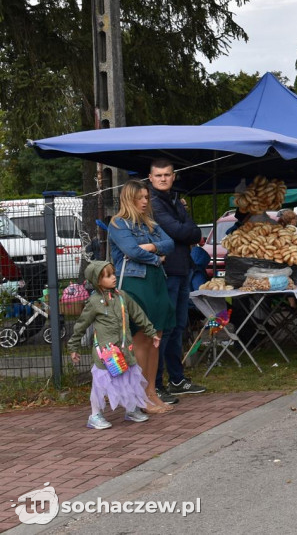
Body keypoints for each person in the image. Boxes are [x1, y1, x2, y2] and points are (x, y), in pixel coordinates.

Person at [108, 180, 176, 412]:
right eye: (141, 197)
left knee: (155, 339)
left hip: (156, 283)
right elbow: (131, 251)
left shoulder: (150, 224)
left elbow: (170, 243)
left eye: (147, 197)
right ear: (129, 199)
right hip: (135, 285)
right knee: (141, 340)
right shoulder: (118, 223)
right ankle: (139, 396)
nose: (145, 201)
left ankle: (151, 392)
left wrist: (151, 248)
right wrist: (156, 256)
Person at [70, 260, 159, 429]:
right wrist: (73, 347)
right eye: (108, 276)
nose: (113, 278)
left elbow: (138, 314)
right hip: (106, 353)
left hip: (125, 351)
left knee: (130, 379)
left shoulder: (122, 296)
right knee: (100, 384)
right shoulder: (94, 302)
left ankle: (131, 409)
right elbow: (81, 325)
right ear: (97, 280)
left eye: (113, 274)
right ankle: (95, 415)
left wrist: (151, 332)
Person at [147, 159, 205, 402]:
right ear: (150, 178)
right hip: (165, 272)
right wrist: (186, 229)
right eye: (158, 175)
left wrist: (186, 229)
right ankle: (156, 383)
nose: (163, 179)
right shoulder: (152, 203)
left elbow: (195, 231)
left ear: (173, 177)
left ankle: (177, 379)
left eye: (167, 175)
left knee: (179, 325)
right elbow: (181, 231)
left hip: (182, 269)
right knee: (164, 329)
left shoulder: (174, 199)